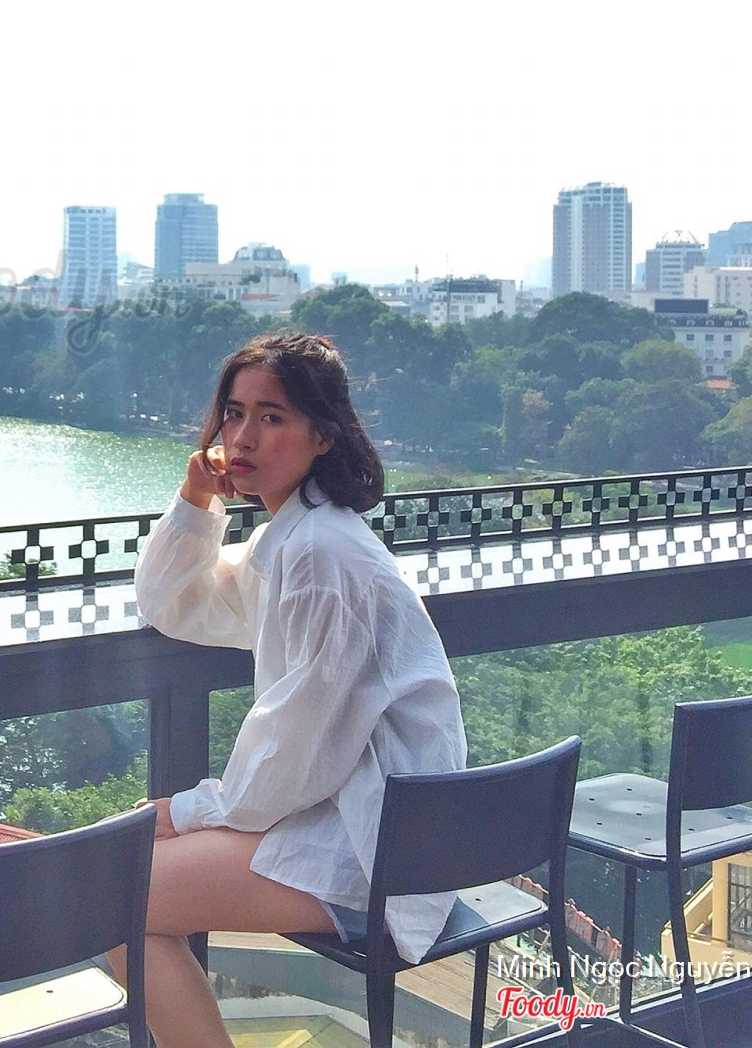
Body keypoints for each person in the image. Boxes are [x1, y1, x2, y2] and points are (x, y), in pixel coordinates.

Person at [120, 331, 466, 1048]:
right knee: (112, 878)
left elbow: (300, 749)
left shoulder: (320, 556)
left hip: (373, 842)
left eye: (272, 416)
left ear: (324, 435)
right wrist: (195, 497)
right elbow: (174, 604)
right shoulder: (296, 539)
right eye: (234, 413)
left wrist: (187, 810)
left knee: (108, 896)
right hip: (361, 813)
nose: (243, 436)